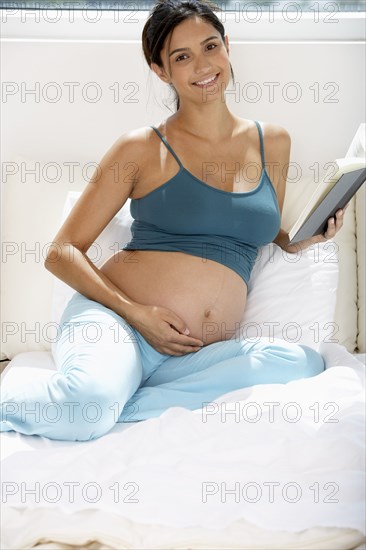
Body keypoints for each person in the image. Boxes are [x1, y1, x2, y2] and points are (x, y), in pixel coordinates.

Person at [0, 0, 348, 441]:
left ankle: (117, 402)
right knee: (82, 410)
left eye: (210, 46)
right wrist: (138, 314)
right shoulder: (142, 148)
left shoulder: (273, 142)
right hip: (118, 322)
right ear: (161, 71)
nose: (203, 65)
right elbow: (61, 252)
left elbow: (254, 228)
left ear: (228, 47)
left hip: (193, 354)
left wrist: (298, 239)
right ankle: (92, 401)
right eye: (182, 57)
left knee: (301, 362)